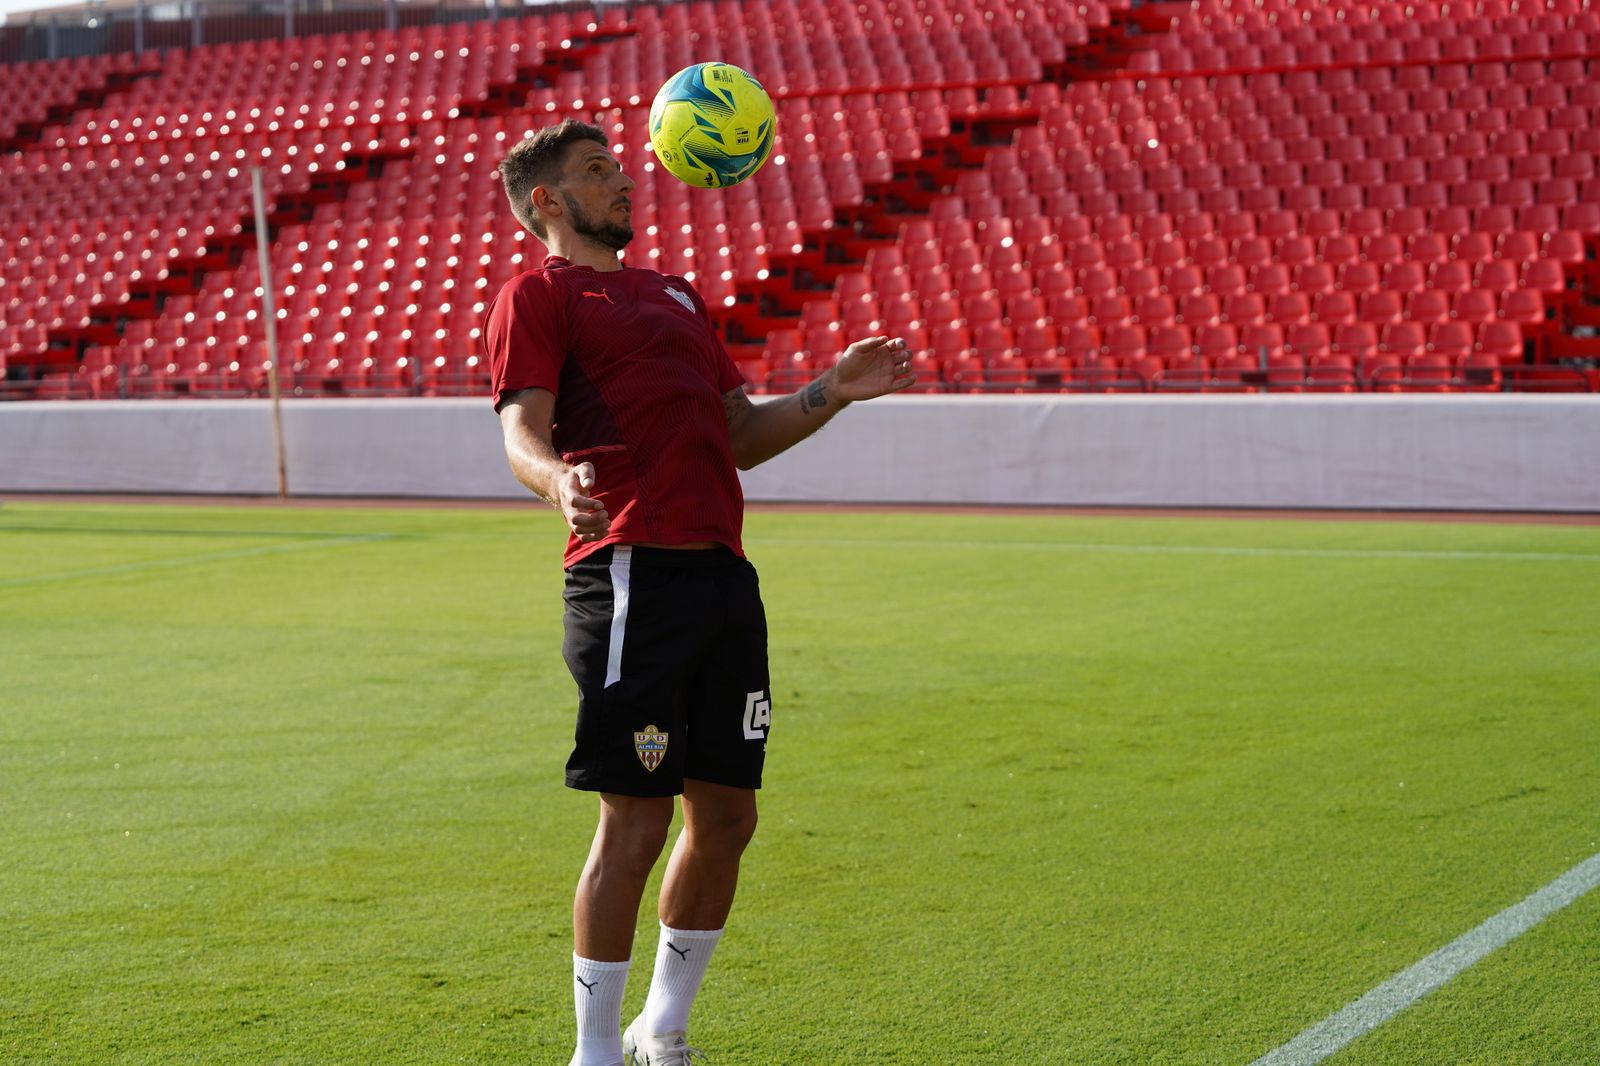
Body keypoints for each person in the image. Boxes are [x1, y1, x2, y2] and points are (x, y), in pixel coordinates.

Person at [483, 118, 915, 1066]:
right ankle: (594, 1050)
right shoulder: (538, 293)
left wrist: (831, 392)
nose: (623, 181)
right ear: (547, 201)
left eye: (618, 167)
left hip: (724, 573)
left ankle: (661, 1030)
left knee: (727, 815)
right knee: (633, 817)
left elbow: (740, 437)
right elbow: (521, 430)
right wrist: (556, 480)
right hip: (631, 569)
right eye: (597, 173)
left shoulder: (678, 295)